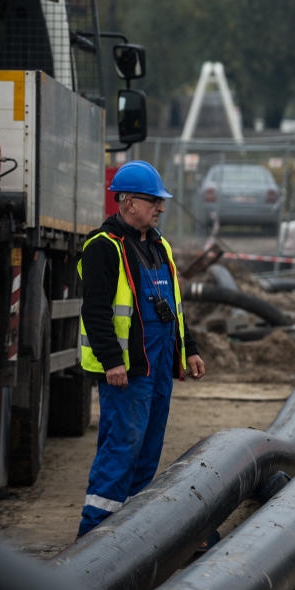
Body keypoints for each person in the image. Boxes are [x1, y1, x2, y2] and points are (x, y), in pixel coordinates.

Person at [77, 161, 204, 536]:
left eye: (160, 202)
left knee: (148, 449)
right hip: (128, 369)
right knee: (122, 448)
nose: (160, 208)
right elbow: (95, 311)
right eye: (153, 201)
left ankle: (129, 534)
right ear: (127, 201)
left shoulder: (158, 246)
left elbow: (175, 308)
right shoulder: (103, 247)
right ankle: (94, 535)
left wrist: (190, 348)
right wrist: (111, 361)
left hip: (159, 363)